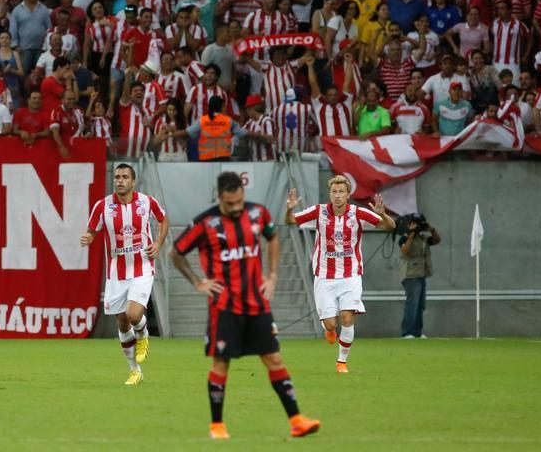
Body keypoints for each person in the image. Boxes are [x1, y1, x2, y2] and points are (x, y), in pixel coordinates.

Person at [171, 172, 322, 440]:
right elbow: (176, 252)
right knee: (221, 364)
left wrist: (272, 275)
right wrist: (198, 282)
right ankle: (217, 426)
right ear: (219, 198)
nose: (237, 207)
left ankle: (297, 420)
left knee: (274, 358)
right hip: (224, 307)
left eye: (240, 201)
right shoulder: (205, 223)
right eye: (230, 204)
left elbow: (273, 237)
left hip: (257, 304)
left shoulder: (258, 213)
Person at [286, 176, 395, 371]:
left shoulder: (358, 214)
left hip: (350, 275)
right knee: (330, 324)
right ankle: (329, 330)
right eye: (334, 192)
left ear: (348, 194)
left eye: (341, 192)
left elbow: (390, 226)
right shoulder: (319, 212)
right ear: (330, 194)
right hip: (324, 276)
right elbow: (291, 222)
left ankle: (341, 361)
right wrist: (289, 209)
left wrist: (383, 214)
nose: (337, 196)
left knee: (347, 317)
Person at [80, 164, 169, 386]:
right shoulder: (102, 206)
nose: (120, 180)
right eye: (117, 177)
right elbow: (92, 229)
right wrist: (89, 237)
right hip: (115, 274)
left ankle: (143, 335)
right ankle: (134, 371)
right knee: (121, 322)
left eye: (125, 177)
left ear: (133, 181)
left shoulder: (146, 202)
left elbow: (163, 220)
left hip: (142, 269)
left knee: (133, 315)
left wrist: (158, 243)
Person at [398, 214, 441, 338]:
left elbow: (437, 240)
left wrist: (431, 229)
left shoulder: (423, 238)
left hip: (421, 273)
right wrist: (411, 233)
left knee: (420, 304)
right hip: (410, 274)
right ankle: (407, 332)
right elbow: (405, 251)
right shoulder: (404, 238)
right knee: (412, 303)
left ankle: (417, 331)